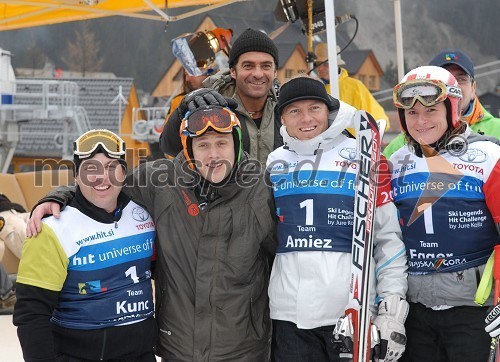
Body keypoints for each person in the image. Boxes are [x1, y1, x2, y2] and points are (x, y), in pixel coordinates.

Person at [28, 100, 277, 361]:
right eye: (203, 145)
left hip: (244, 349)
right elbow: (106, 184)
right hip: (180, 348)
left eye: (222, 143)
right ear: (189, 149)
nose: (213, 155)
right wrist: (58, 195)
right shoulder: (162, 181)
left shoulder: (262, 189)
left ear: (236, 145)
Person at [266, 75, 408, 361]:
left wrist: (391, 308)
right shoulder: (274, 163)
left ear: (328, 110)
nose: (306, 118)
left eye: (314, 108)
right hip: (288, 316)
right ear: (282, 117)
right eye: (294, 111)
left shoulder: (362, 156)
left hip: (349, 314)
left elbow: (388, 240)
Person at [14, 129, 157, 362]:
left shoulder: (145, 213)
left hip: (141, 354)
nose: (103, 177)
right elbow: (31, 315)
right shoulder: (51, 229)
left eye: (112, 167)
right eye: (91, 168)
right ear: (77, 176)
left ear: (124, 172)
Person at [388, 65, 500, 361]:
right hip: (416, 312)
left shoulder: (488, 157)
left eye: (431, 111)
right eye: (411, 113)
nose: (421, 121)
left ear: (452, 109)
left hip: (474, 312)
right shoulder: (395, 162)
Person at [160, 28, 283, 164]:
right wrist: (181, 111)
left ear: (275, 72)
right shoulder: (210, 106)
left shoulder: (287, 108)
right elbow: (170, 147)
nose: (258, 73)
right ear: (233, 71)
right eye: (248, 66)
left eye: (266, 66)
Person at [384, 48, 500, 158]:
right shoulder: (401, 145)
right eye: (444, 81)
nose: (454, 86)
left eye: (461, 79)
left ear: (473, 88)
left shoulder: (496, 131)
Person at [314, 42, 389, 126]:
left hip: (354, 139)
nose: (320, 68)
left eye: (325, 64)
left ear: (336, 64)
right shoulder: (314, 89)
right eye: (317, 64)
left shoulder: (355, 86)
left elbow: (379, 119)